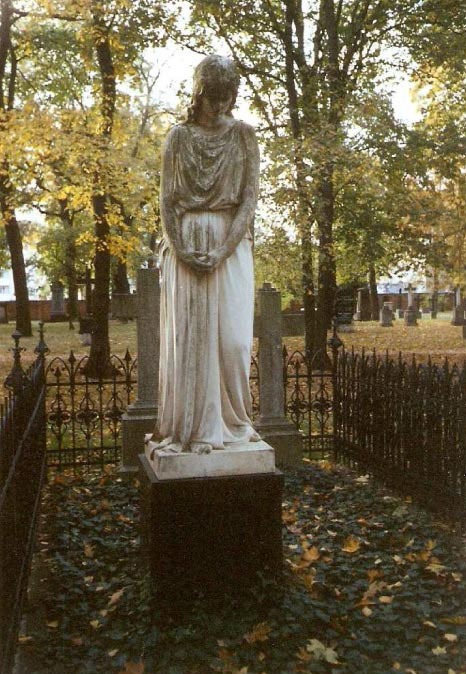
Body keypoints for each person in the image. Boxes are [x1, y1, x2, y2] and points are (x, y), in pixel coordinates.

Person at [153, 55, 261, 455]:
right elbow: (166, 201)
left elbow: (248, 201)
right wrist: (181, 249)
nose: (222, 105)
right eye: (215, 96)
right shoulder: (178, 138)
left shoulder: (244, 136)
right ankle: (195, 428)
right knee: (192, 341)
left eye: (228, 96)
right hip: (185, 244)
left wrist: (222, 248)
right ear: (199, 93)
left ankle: (234, 422)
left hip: (230, 245)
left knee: (233, 342)